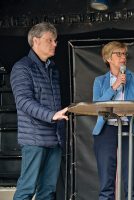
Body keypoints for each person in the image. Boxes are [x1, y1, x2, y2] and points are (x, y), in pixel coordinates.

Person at [10, 22, 68, 200]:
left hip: (54, 139)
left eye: (55, 40)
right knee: (27, 189)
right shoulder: (22, 67)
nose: (55, 44)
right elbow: (23, 101)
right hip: (34, 139)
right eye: (50, 40)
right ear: (35, 41)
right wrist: (52, 115)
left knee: (48, 191)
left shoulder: (52, 69)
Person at [92, 41, 134, 200]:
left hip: (130, 127)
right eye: (119, 54)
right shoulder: (99, 81)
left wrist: (123, 110)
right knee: (106, 182)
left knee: (131, 181)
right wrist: (114, 87)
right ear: (108, 58)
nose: (123, 57)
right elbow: (97, 106)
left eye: (124, 54)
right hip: (106, 129)